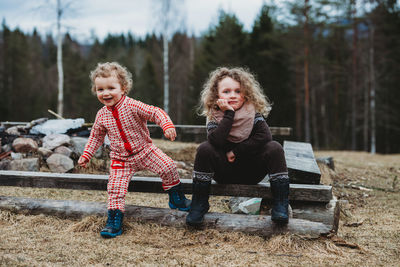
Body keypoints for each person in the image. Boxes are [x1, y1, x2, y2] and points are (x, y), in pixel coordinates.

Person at [78, 62, 191, 238]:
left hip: (145, 151)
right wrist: (87, 154)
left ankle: (177, 198)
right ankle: (114, 221)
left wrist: (166, 125)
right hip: (120, 159)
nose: (105, 93)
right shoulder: (101, 115)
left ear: (123, 88)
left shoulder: (132, 105)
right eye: (100, 89)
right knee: (114, 188)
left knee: (168, 166)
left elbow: (155, 112)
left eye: (111, 88)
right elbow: (95, 136)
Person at [186, 67, 289, 226]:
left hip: (251, 171)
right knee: (205, 149)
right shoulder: (214, 115)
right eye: (226, 91)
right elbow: (216, 141)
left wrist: (236, 151)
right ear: (217, 94)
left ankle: (280, 204)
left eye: (237, 91)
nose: (232, 95)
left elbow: (265, 136)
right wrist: (229, 114)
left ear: (245, 94)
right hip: (224, 173)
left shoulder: (252, 113)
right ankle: (199, 203)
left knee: (274, 147)